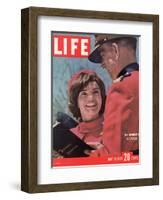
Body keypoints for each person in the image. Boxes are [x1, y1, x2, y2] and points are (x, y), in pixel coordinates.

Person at [88, 34, 139, 156]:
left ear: (115, 51)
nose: (102, 64)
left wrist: (91, 154)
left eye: (102, 55)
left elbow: (112, 155)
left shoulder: (122, 87)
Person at [68, 69, 106, 150]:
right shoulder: (69, 135)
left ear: (102, 97)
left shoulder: (114, 130)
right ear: (76, 101)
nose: (91, 98)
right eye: (84, 93)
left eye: (95, 92)